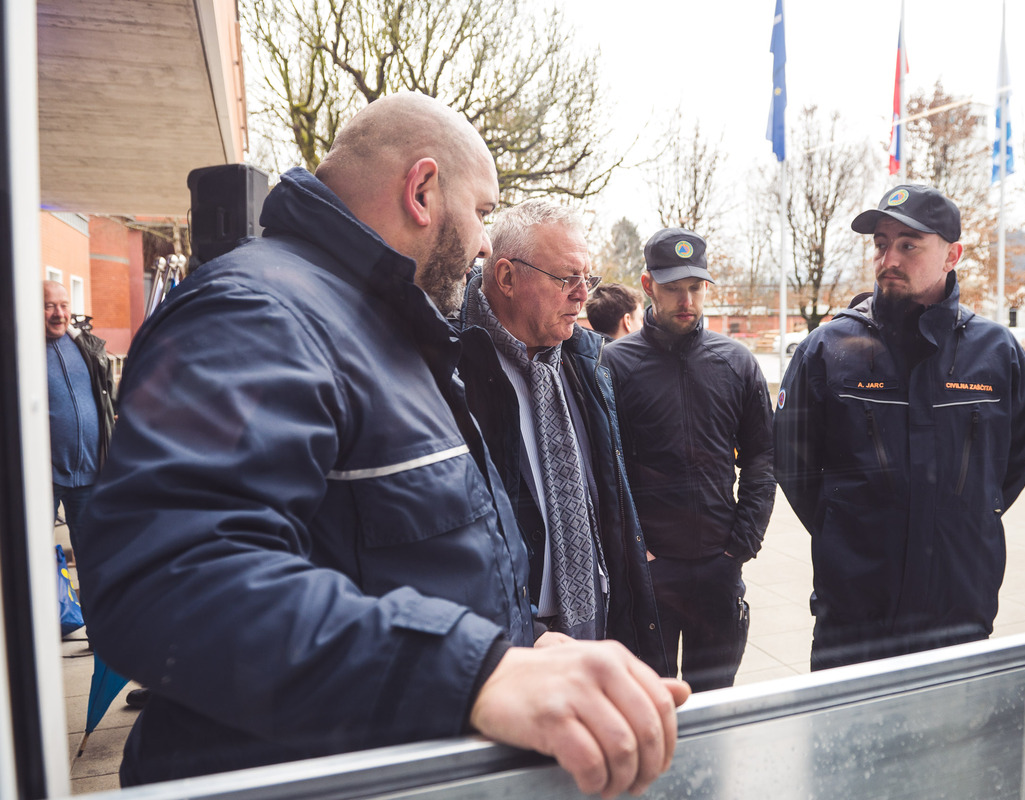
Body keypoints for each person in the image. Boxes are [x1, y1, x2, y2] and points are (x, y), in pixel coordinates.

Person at [76, 93, 688, 794]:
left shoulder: (384, 325)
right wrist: (477, 672)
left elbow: (401, 552)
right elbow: (171, 582)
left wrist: (524, 643)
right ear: (422, 190)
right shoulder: (256, 313)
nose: (485, 245)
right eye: (482, 212)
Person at [774, 184, 1025, 671]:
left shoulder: (997, 353)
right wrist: (852, 529)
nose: (888, 258)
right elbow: (793, 465)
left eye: (908, 244)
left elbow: (1013, 464)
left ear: (952, 255)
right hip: (854, 615)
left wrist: (959, 518)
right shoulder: (827, 349)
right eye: (881, 243)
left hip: (958, 610)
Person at [456, 200, 667, 674]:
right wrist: (526, 634)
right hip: (508, 648)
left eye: (587, 279)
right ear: (506, 277)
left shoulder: (588, 360)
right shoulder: (448, 365)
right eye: (566, 278)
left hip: (599, 624)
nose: (582, 296)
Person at [605, 228, 775, 692]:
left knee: (714, 704)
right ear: (648, 285)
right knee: (650, 703)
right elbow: (603, 470)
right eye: (673, 288)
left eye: (696, 287)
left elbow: (762, 457)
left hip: (719, 569)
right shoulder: (614, 365)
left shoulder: (737, 362)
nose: (687, 301)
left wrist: (741, 543)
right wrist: (635, 551)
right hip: (649, 573)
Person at [44, 279, 115, 551]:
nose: (59, 314)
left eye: (64, 306)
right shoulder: (20, 352)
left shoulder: (86, 347)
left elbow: (108, 400)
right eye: (49, 306)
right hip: (44, 476)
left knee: (93, 554)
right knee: (34, 553)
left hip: (89, 473)